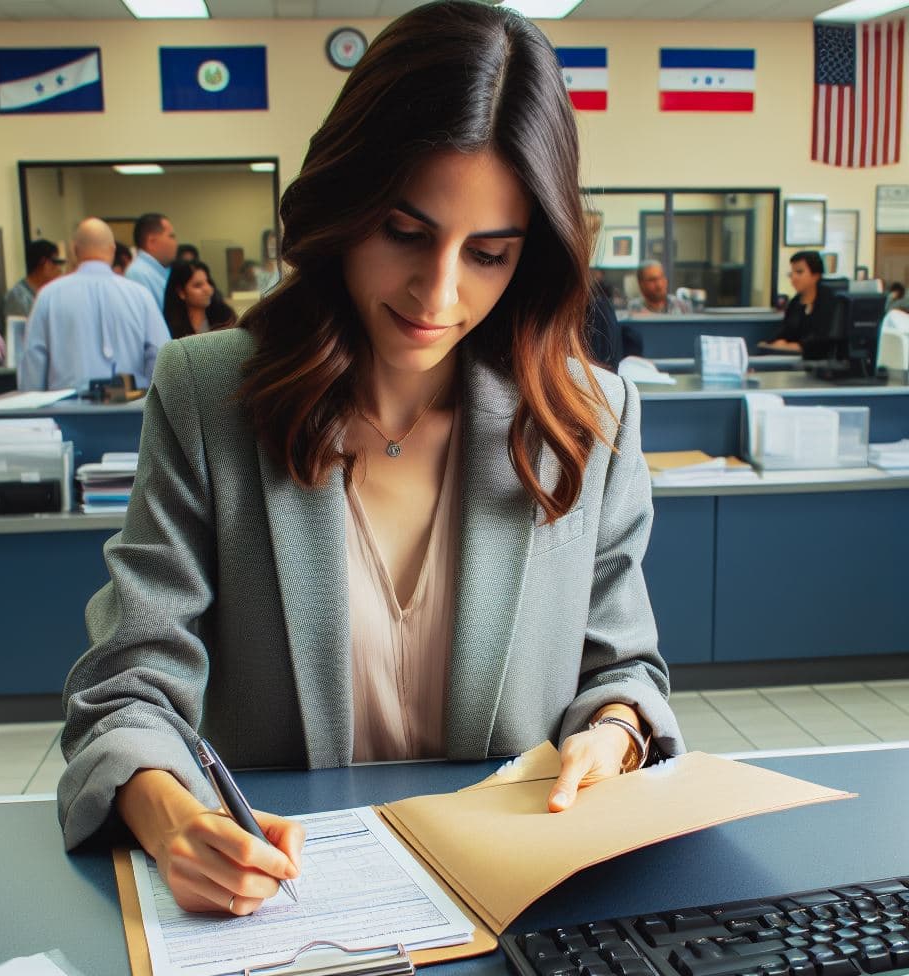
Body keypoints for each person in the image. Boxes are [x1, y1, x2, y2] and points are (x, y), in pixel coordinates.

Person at [58, 0, 683, 918]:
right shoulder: (207, 398)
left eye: (490, 254)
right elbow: (124, 685)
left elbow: (622, 671)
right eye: (405, 232)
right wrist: (170, 817)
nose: (439, 292)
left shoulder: (588, 419)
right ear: (344, 206)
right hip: (280, 915)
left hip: (513, 914)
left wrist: (616, 734)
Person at [18, 218, 169, 392]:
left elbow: (33, 359)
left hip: (66, 411)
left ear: (74, 250)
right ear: (112, 250)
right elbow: (161, 354)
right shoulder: (140, 295)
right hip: (128, 407)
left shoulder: (48, 295)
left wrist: (31, 406)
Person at [759, 251, 837, 356]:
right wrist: (772, 343)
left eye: (799, 272)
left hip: (819, 363)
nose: (793, 278)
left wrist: (798, 347)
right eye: (791, 274)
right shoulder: (795, 302)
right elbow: (785, 331)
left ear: (816, 275)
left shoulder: (829, 301)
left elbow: (823, 340)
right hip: (793, 360)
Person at [163, 259, 237, 338]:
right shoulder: (167, 327)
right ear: (181, 292)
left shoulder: (225, 318)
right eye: (198, 285)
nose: (207, 289)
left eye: (208, 282)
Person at [3, 239, 65, 330]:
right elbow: (20, 336)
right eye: (56, 263)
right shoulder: (17, 297)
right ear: (44, 263)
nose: (60, 269)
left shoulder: (46, 293)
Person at [124, 212, 178, 307]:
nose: (176, 243)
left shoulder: (163, 270)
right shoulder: (138, 274)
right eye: (171, 236)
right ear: (151, 242)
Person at [627, 261, 692, 315]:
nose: (659, 285)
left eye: (661, 278)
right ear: (641, 284)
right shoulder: (633, 309)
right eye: (652, 280)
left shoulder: (682, 306)